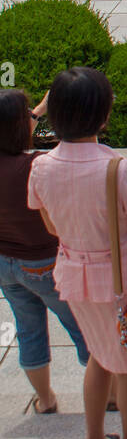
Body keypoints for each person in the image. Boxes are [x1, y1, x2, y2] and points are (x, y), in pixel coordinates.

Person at [27, 68, 127, 439]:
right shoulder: (116, 167)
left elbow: (51, 224)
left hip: (72, 275)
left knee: (99, 354)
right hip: (120, 279)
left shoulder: (41, 167)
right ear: (103, 117)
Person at [0, 89, 89, 412]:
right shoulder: (35, 166)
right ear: (17, 127)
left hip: (5, 266)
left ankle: (46, 399)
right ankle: (109, 393)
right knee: (85, 327)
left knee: (29, 331)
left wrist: (38, 110)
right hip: (44, 262)